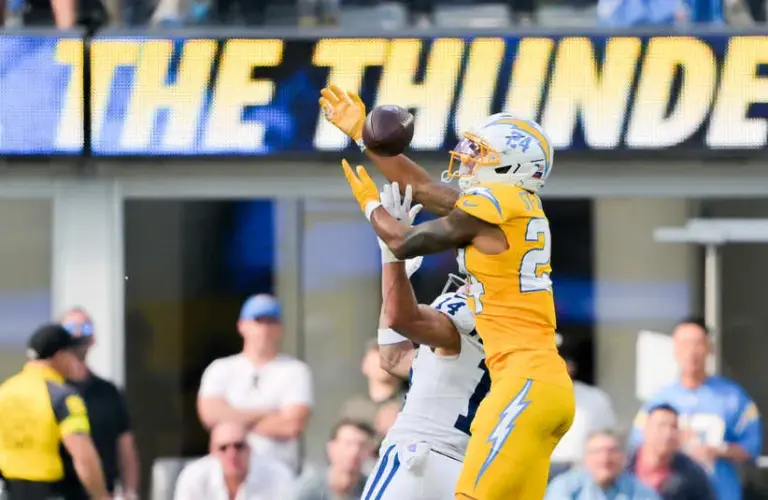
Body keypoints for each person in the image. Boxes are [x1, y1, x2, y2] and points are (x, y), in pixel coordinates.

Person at [320, 85, 574, 499]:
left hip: (521, 385)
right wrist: (363, 137)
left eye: (482, 154)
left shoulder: (499, 201)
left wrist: (372, 207)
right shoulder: (514, 209)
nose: (469, 160)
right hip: (546, 387)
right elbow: (421, 187)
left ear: (512, 166)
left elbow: (405, 241)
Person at [362, 181, 489, 498]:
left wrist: (393, 254)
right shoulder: (513, 314)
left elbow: (404, 319)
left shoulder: (466, 309)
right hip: (461, 469)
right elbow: (393, 359)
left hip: (418, 455)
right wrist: (398, 277)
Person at [630, 318, 762, 500]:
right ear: (674, 350)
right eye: (684, 344)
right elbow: (637, 447)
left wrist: (717, 450)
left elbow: (751, 447)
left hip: (721, 493)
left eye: (698, 344)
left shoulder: (733, 397)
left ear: (709, 348)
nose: (691, 352)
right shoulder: (658, 400)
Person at [197, 294, 314, 474]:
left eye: (271, 322)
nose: (264, 329)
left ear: (280, 328)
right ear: (242, 326)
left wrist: (232, 418)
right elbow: (210, 415)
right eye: (258, 321)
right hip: (226, 473)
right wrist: (270, 413)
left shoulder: (295, 370)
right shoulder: (220, 368)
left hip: (279, 472)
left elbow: (291, 426)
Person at [0, 323, 110, 500]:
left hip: (10, 491)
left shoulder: (4, 391)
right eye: (71, 355)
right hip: (51, 491)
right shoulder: (63, 396)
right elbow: (83, 456)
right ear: (61, 356)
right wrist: (102, 496)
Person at [58, 307, 141, 500]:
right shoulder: (51, 391)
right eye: (72, 327)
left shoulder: (108, 392)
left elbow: (126, 449)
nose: (78, 333)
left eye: (85, 328)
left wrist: (130, 493)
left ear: (93, 338)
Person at [550, 333, 617, 477]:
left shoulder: (596, 399)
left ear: (572, 366)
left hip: (583, 478)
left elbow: (608, 443)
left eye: (564, 361)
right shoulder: (524, 398)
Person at [174, 421, 294, 500]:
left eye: (238, 446)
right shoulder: (193, 478)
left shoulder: (277, 475)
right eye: (223, 448)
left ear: (249, 449)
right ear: (212, 452)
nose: (232, 454)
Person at [628, 404, 714, 500]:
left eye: (674, 427)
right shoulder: (624, 467)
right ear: (645, 429)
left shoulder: (692, 474)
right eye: (661, 425)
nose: (668, 433)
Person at [546, 430, 660, 500]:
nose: (605, 458)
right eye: (597, 451)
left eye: (612, 451)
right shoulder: (564, 486)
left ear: (623, 457)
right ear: (586, 458)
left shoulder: (641, 491)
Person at [294, 419, 375, 500]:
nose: (355, 451)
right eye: (348, 443)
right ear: (331, 447)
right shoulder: (306, 487)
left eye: (363, 445)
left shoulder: (373, 490)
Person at [341, 340, 407, 429]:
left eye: (391, 355)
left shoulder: (412, 404)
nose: (384, 361)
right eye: (378, 355)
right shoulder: (353, 410)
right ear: (365, 365)